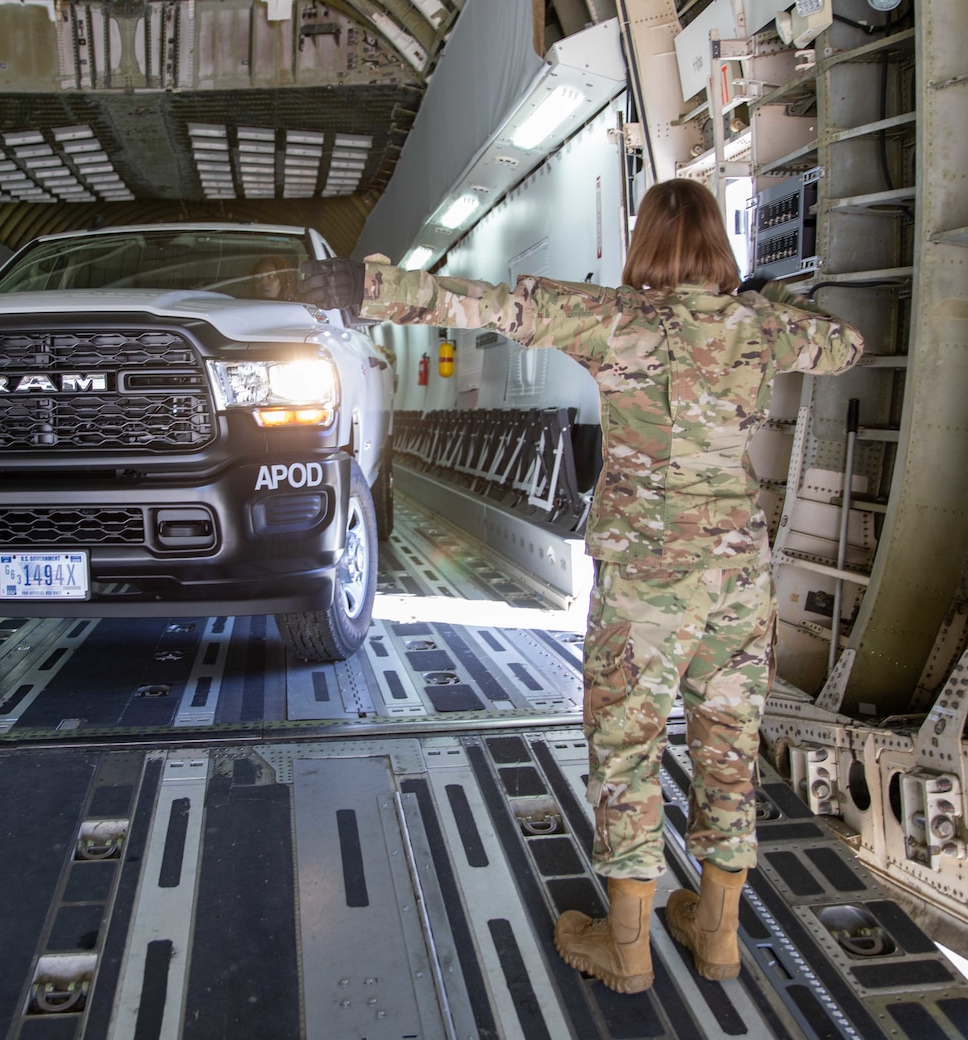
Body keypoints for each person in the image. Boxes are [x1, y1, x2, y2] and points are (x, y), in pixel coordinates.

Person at [300, 179, 863, 992]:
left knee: (629, 750)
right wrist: (775, 298)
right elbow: (843, 346)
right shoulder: (763, 330)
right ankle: (717, 937)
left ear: (644, 246)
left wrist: (370, 289)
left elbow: (491, 306)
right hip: (738, 579)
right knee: (729, 749)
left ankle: (626, 950)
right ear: (719, 247)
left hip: (644, 584)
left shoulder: (616, 321)